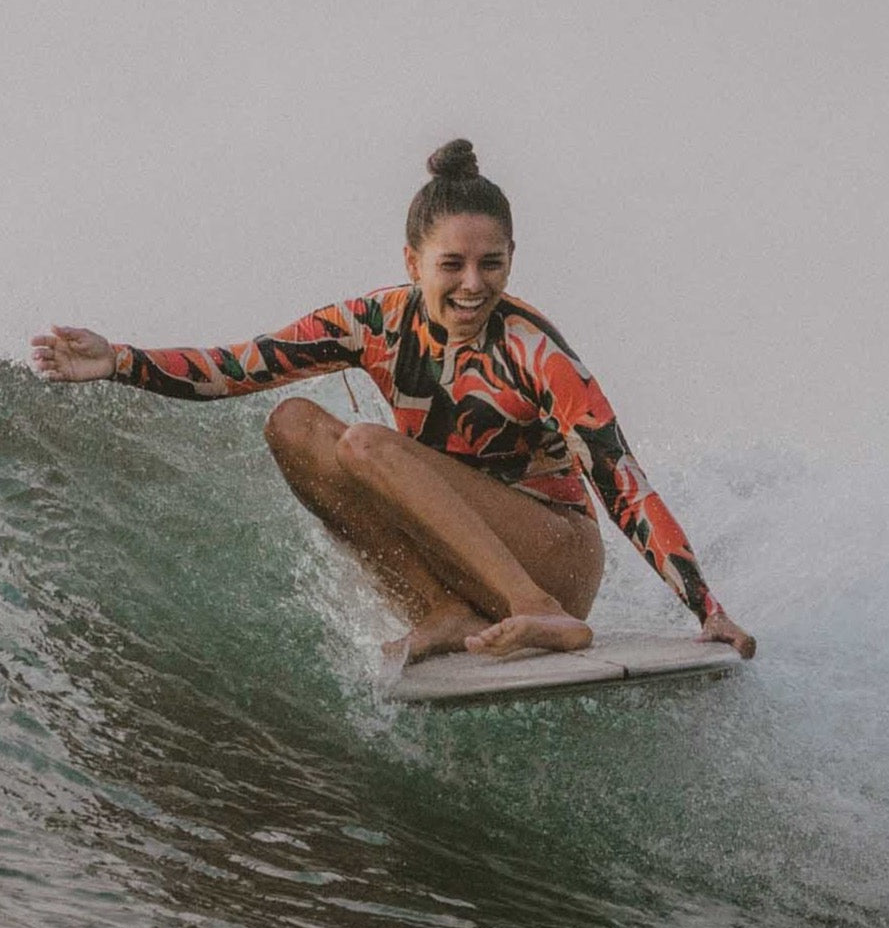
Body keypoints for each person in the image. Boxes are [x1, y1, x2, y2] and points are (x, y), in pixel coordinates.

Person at [31, 139, 755, 663]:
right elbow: (238, 368)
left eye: (491, 264)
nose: (472, 284)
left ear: (510, 259)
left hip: (555, 556)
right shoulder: (373, 324)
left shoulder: (535, 353)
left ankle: (538, 613)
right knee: (291, 423)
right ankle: (440, 610)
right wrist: (119, 360)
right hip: (465, 556)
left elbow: (620, 482)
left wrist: (707, 610)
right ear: (412, 263)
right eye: (452, 264)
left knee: (367, 442)